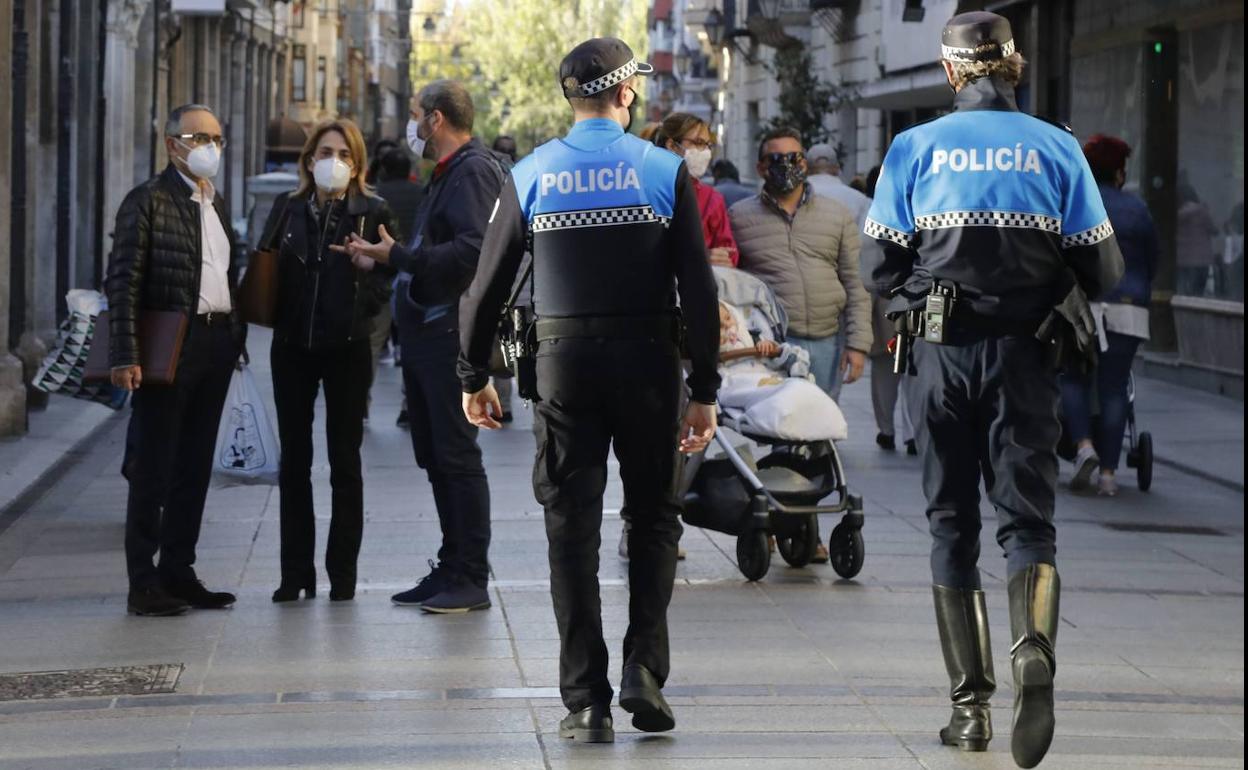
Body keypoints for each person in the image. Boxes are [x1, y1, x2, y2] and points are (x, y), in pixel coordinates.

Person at [862, 13, 1124, 768]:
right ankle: (1033, 651)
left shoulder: (913, 148)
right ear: (1013, 65)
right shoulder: (1057, 147)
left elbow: (878, 269)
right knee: (1028, 523)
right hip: (1027, 357)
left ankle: (969, 710)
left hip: (941, 356)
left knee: (951, 522)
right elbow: (1104, 272)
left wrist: (932, 279)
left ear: (950, 73)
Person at [457, 37, 719, 744]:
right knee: (655, 519)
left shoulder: (534, 171)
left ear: (571, 97)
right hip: (649, 363)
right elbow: (697, 287)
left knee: (571, 528)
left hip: (564, 364)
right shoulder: (664, 170)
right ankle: (644, 673)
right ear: (626, 92)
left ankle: (584, 701)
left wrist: (472, 375)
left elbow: (482, 288)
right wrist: (707, 385)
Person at [335, 80, 504, 614]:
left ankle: (470, 576)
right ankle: (452, 565)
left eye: (414, 115)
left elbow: (473, 252)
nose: (411, 125)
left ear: (435, 120)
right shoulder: (450, 173)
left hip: (449, 331)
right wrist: (386, 260)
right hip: (429, 331)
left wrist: (399, 257)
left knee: (456, 456)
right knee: (436, 455)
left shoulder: (473, 170)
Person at [106, 104, 246, 616]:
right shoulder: (145, 202)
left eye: (216, 138)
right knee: (154, 468)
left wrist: (236, 335)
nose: (209, 147)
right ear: (172, 144)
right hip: (169, 348)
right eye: (198, 137)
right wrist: (126, 353)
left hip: (214, 344)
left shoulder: (215, 202)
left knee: (194, 467)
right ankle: (143, 581)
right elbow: (122, 280)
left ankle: (179, 571)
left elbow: (224, 274)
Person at [260, 119, 394, 603]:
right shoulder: (288, 208)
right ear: (308, 159)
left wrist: (366, 273)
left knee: (345, 461)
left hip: (348, 346)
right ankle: (295, 573)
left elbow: (388, 282)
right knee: (294, 461)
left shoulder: (371, 211)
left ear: (356, 164)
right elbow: (265, 267)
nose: (331, 161)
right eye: (323, 152)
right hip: (293, 345)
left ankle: (342, 575)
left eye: (341, 153)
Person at [730, 128, 871, 405]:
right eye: (776, 159)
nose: (786, 165)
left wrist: (857, 345)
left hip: (827, 343)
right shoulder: (738, 217)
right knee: (778, 426)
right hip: (773, 345)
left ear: (804, 164)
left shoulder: (836, 214)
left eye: (794, 158)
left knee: (821, 428)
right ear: (761, 168)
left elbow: (855, 283)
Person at [1060, 135, 1158, 496]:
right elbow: (1152, 259)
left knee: (1073, 379)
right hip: (1127, 308)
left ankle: (1083, 446)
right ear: (1119, 171)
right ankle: (1108, 476)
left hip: (1082, 305)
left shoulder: (1074, 204)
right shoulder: (1138, 209)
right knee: (1115, 387)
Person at [372, 148, 426, 419]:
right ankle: (408, 403)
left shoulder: (375, 195)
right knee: (409, 343)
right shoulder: (421, 194)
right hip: (412, 275)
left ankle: (361, 403)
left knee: (372, 342)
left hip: (378, 274)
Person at [654, 113, 738, 267]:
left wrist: (721, 258)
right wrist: (698, 257)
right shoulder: (643, 190)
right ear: (672, 146)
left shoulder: (712, 198)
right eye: (698, 142)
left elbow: (728, 252)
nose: (706, 152)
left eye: (708, 145)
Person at [1175, 180, 1218, 296]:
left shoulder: (1175, 215)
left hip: (1181, 260)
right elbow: (1214, 230)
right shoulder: (1202, 211)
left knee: (1182, 294)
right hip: (1201, 261)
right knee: (1197, 295)